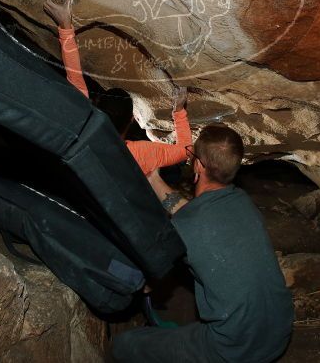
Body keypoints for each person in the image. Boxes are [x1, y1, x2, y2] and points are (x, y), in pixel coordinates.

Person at [111, 125, 294, 363]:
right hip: (279, 332)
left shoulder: (184, 230)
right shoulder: (242, 202)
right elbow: (193, 215)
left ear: (197, 165)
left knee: (124, 345)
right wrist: (154, 179)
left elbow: (144, 285)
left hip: (233, 349)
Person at [44, 0, 192, 175]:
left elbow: (74, 76)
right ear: (132, 119)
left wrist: (65, 25)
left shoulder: (79, 124)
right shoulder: (138, 155)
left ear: (96, 103)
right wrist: (179, 110)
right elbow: (185, 150)